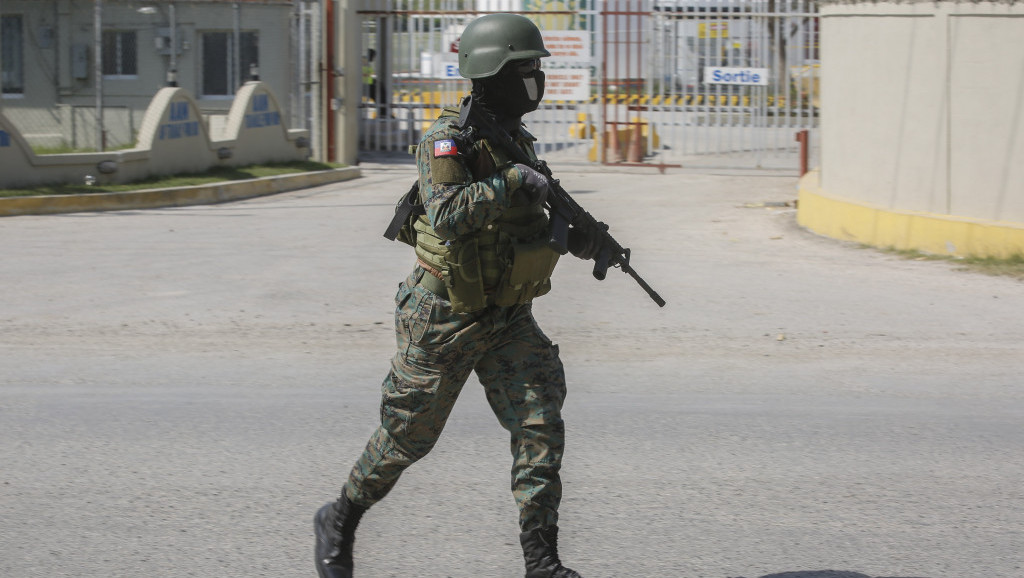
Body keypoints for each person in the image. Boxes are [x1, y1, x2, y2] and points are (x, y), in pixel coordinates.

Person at [314, 13, 601, 578]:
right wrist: (516, 182)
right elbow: (447, 214)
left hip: (507, 313)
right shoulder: (448, 139)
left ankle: (542, 561)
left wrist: (584, 237)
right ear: (492, 74)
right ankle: (340, 517)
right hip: (444, 312)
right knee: (407, 439)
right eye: (527, 70)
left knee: (540, 421)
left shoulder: (515, 138)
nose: (536, 80)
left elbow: (522, 221)